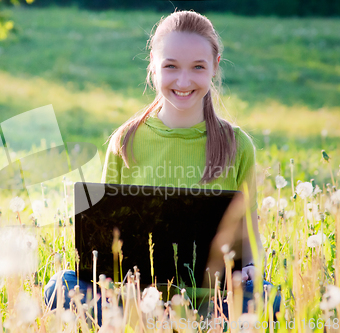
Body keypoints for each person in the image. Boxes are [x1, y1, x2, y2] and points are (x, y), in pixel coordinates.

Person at [44, 9, 280, 320]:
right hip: (135, 298)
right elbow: (103, 244)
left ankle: (188, 321)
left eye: (198, 67)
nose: (184, 81)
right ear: (153, 67)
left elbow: (248, 239)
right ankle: (149, 320)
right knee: (61, 286)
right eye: (171, 66)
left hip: (210, 299)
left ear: (215, 67)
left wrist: (251, 268)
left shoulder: (238, 145)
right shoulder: (126, 140)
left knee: (266, 296)